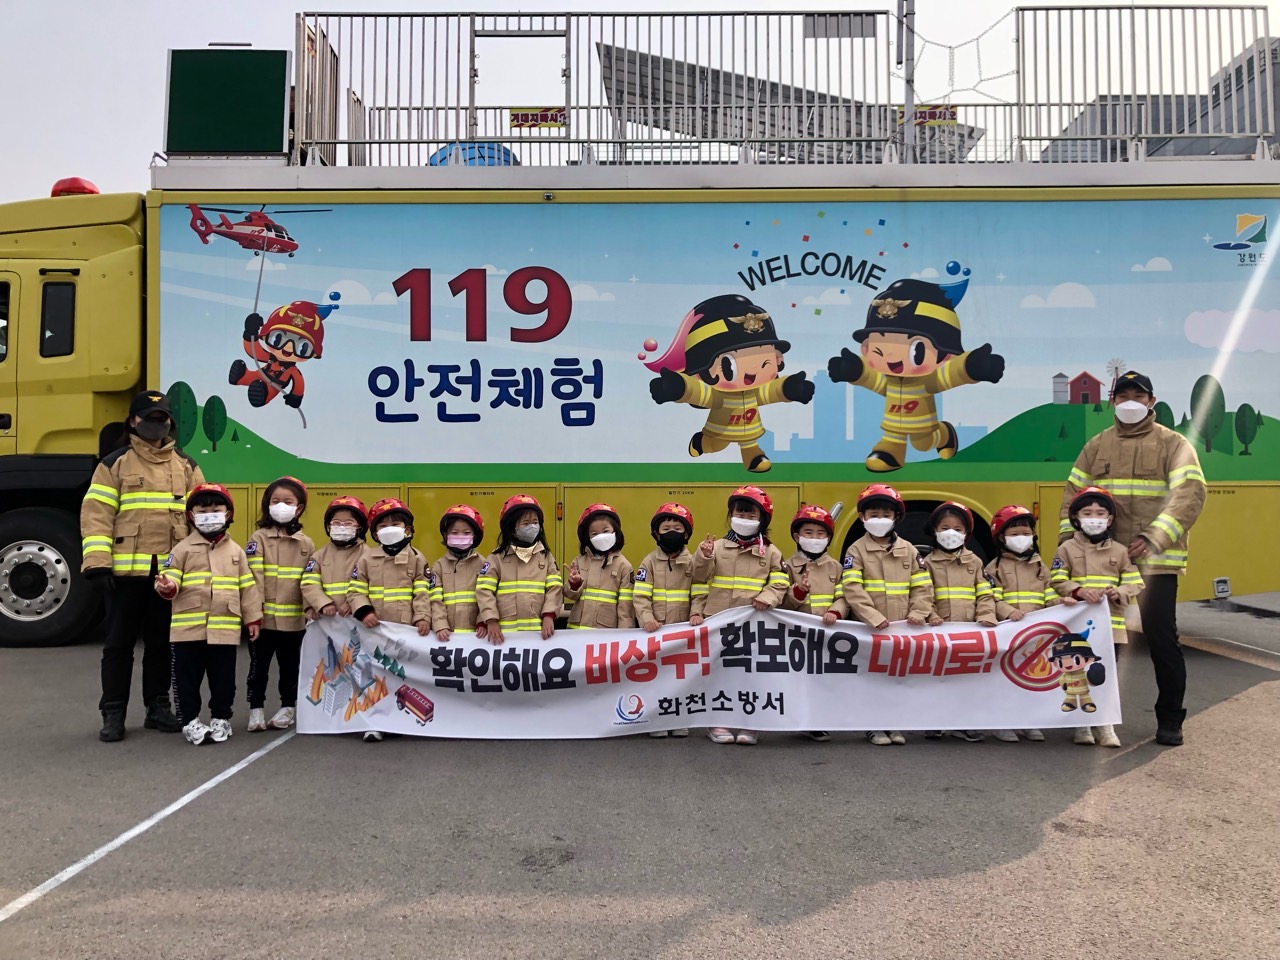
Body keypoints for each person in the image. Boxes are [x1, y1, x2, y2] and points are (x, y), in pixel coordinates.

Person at [1058, 370, 1206, 747]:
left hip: (1156, 562)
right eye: (1123, 396)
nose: (1130, 403)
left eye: (1138, 397)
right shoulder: (1097, 446)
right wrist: (1068, 545)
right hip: (1101, 562)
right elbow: (1072, 496)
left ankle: (1170, 719)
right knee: (1094, 643)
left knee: (1161, 639)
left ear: (1151, 402)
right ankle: (1090, 717)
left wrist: (1154, 537)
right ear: (1112, 402)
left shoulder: (1174, 444)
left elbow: (1190, 495)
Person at [81, 389, 204, 742]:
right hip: (125, 575)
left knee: (162, 644)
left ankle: (158, 706)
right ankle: (113, 712)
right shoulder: (114, 464)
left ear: (170, 422)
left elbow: (200, 517)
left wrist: (197, 567)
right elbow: (97, 516)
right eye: (149, 418)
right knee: (118, 646)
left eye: (162, 418)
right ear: (133, 421)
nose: (156, 424)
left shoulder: (186, 465)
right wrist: (97, 564)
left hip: (168, 574)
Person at [153, 484, 262, 746]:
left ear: (228, 514)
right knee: (186, 679)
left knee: (224, 680)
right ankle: (189, 721)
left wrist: (253, 618)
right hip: (187, 631)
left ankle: (221, 718)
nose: (209, 516)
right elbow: (170, 578)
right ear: (191, 516)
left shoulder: (236, 552)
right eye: (202, 511)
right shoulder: (182, 549)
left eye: (215, 510)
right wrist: (167, 586)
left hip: (224, 630)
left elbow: (247, 587)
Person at [692, 485, 790, 745]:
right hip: (718, 622)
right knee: (719, 672)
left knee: (750, 674)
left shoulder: (771, 552)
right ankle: (718, 721)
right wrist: (703, 556)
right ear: (731, 515)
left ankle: (750, 723)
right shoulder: (716, 547)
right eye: (740, 513)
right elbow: (698, 577)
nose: (744, 519)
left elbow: (780, 582)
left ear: (762, 520)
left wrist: (767, 597)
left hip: (753, 624)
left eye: (751, 515)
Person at [1051, 486, 1145, 748]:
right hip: (1076, 627)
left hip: (1111, 627)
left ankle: (1105, 724)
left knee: (1105, 675)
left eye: (1101, 513)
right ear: (1076, 517)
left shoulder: (1121, 551)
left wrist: (1119, 592)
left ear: (1110, 519)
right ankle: (1081, 723)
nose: (1094, 518)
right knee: (1075, 672)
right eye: (1087, 512)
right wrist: (1077, 591)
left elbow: (1135, 582)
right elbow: (1056, 579)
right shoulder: (1066, 549)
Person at [841, 483, 933, 746]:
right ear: (862, 517)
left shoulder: (910, 550)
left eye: (885, 514)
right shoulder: (855, 550)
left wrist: (918, 612)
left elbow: (923, 586)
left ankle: (894, 723)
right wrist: (872, 617)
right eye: (873, 514)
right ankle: (872, 726)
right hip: (870, 629)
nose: (879, 519)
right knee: (872, 678)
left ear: (896, 517)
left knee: (897, 679)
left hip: (903, 628)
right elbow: (852, 588)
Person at [347, 497, 433, 742]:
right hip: (375, 631)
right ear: (374, 533)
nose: (390, 529)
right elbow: (355, 590)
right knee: (374, 676)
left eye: (396, 524)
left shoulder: (417, 558)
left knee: (403, 676)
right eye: (383, 525)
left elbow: (422, 592)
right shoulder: (366, 559)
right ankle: (374, 722)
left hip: (406, 632)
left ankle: (401, 720)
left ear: (408, 529)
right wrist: (364, 611)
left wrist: (422, 617)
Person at [983, 503, 1066, 743]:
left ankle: (1030, 722)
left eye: (1026, 533)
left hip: (1035, 638)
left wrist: (1061, 602)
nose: (1021, 537)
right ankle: (1003, 724)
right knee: (1005, 680)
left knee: (1031, 679)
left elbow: (1048, 593)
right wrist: (1008, 611)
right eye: (1015, 533)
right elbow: (990, 597)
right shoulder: (994, 568)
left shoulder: (1040, 567)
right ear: (1001, 538)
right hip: (1008, 635)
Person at [920, 501, 996, 744]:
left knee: (966, 680)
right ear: (935, 531)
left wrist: (986, 615)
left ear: (966, 533)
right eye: (944, 528)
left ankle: (964, 724)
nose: (951, 533)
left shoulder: (975, 562)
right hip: (939, 632)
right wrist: (931, 615)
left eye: (957, 529)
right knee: (938, 679)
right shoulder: (927, 563)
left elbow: (985, 594)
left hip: (969, 632)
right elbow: (923, 595)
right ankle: (935, 723)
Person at [244, 476, 314, 733]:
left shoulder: (306, 544)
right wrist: (253, 615)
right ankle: (256, 709)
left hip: (294, 623)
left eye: (288, 501)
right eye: (275, 501)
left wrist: (310, 609)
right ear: (267, 505)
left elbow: (309, 581)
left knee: (290, 668)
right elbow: (253, 579)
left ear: (299, 507)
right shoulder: (258, 538)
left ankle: (288, 708)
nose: (281, 506)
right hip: (263, 622)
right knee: (258, 669)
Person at [633, 502, 704, 739]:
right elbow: (640, 596)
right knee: (656, 676)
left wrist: (696, 613)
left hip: (683, 632)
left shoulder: (693, 563)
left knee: (681, 677)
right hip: (655, 632)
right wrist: (647, 619)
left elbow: (699, 592)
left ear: (686, 534)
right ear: (656, 533)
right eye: (666, 529)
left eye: (677, 528)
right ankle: (656, 720)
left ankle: (679, 718)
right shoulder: (649, 562)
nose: (671, 532)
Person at [782, 504, 850, 743]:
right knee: (800, 679)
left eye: (821, 533)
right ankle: (802, 719)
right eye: (808, 533)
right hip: (798, 636)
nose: (814, 538)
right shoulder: (787, 566)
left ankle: (819, 719)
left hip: (828, 634)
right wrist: (798, 592)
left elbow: (844, 596)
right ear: (796, 536)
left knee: (823, 678)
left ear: (829, 538)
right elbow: (781, 604)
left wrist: (836, 611)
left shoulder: (836, 567)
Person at [475, 494, 563, 643]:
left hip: (537, 636)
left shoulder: (546, 557)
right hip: (504, 637)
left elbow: (555, 588)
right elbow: (484, 591)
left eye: (535, 522)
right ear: (512, 528)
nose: (532, 527)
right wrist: (490, 620)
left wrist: (549, 615)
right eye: (525, 523)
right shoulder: (496, 558)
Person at [565, 503, 636, 629]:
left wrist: (624, 634)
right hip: (576, 633)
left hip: (604, 635)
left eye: (605, 531)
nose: (601, 536)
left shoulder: (624, 566)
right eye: (594, 534)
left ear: (615, 532)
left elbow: (626, 608)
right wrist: (574, 584)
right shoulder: (579, 561)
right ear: (587, 538)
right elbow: (570, 595)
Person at [300, 495, 369, 619]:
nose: (341, 527)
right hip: (327, 620)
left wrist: (355, 603)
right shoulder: (319, 556)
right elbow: (309, 584)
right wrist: (320, 604)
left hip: (357, 619)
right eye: (336, 523)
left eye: (348, 523)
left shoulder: (368, 555)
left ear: (360, 528)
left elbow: (374, 585)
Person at [429, 504, 489, 643]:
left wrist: (483, 620)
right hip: (447, 637)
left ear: (475, 536)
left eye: (466, 533)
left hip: (476, 637)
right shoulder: (439, 566)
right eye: (454, 533)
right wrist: (440, 624)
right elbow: (435, 599)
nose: (460, 537)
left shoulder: (483, 564)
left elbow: (488, 596)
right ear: (446, 535)